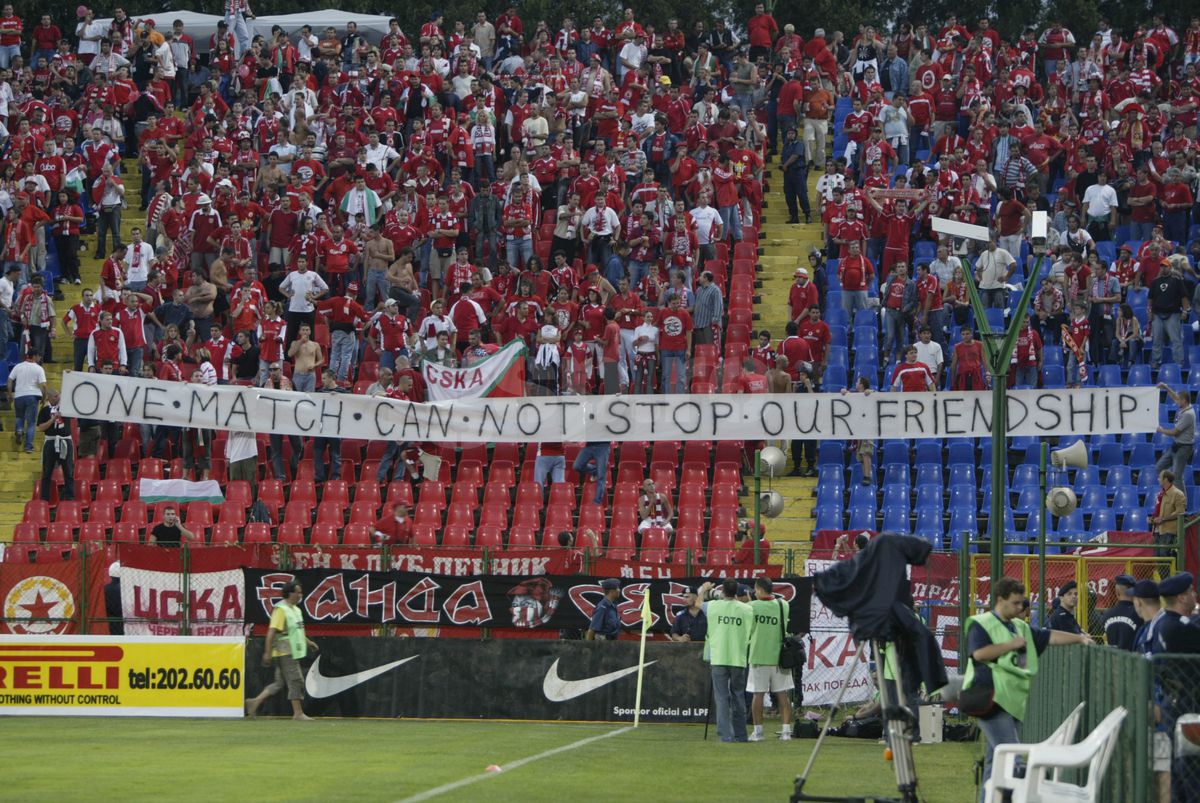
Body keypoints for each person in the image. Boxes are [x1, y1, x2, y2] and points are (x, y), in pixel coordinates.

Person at [963, 577, 1094, 800]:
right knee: (1011, 757)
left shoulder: (1019, 626)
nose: (1019, 607)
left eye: (1021, 603)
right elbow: (979, 654)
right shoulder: (982, 623)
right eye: (1014, 603)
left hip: (1011, 702)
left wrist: (1079, 639)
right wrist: (1010, 645)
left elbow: (1049, 636)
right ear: (1000, 599)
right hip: (990, 699)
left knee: (997, 759)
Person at [246, 581, 319, 721]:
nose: (300, 595)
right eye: (297, 592)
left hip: (292, 651)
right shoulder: (281, 610)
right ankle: (298, 713)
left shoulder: (296, 610)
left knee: (279, 683)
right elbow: (271, 632)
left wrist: (308, 642)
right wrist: (267, 652)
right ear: (290, 593)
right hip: (284, 651)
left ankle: (254, 702)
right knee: (296, 680)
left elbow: (296, 631)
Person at [701, 578, 753, 743]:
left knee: (722, 698)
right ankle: (741, 734)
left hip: (719, 657)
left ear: (722, 591)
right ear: (737, 591)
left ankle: (725, 735)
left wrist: (704, 589)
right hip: (738, 658)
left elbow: (697, 603)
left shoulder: (713, 606)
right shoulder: (747, 609)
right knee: (738, 696)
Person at [747, 577, 794, 741]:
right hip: (780, 657)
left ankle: (758, 732)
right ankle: (786, 731)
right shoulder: (784, 605)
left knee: (758, 695)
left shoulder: (752, 606)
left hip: (758, 656)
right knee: (782, 694)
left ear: (759, 589)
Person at [36, 389, 74, 502]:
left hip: (65, 441)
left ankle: (69, 498)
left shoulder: (66, 408)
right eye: (56, 396)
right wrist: (52, 420)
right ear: (50, 398)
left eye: (59, 395)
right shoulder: (44, 411)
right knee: (47, 472)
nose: (59, 397)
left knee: (68, 471)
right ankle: (44, 499)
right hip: (50, 442)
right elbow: (41, 427)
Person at [8, 350, 47, 453]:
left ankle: (19, 430)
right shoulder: (39, 368)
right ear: (34, 356)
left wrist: (9, 394)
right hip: (32, 396)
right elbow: (43, 385)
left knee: (19, 417)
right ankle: (28, 446)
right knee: (31, 423)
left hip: (19, 396)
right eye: (39, 356)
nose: (40, 358)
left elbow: (10, 380)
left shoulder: (18, 366)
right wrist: (44, 397)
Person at [1156, 384, 1195, 482]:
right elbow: (1174, 396)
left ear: (1184, 401)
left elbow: (1174, 432)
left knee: (1177, 477)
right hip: (1176, 445)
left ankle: (1181, 497)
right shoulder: (1185, 406)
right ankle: (1170, 490)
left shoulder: (1188, 414)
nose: (1176, 401)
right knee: (1159, 467)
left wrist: (1161, 430)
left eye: (1178, 400)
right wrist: (1165, 387)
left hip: (1184, 448)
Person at [1151, 469, 1188, 555]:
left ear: (1166, 479)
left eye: (1160, 477)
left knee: (1165, 556)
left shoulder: (1178, 494)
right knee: (1157, 556)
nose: (1158, 479)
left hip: (1168, 531)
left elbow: (1180, 512)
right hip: (1157, 530)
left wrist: (1163, 519)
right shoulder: (1160, 494)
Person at [1102, 574, 1139, 651]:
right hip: (1133, 660)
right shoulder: (1139, 613)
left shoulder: (1107, 614)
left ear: (1117, 593)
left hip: (1112, 660)